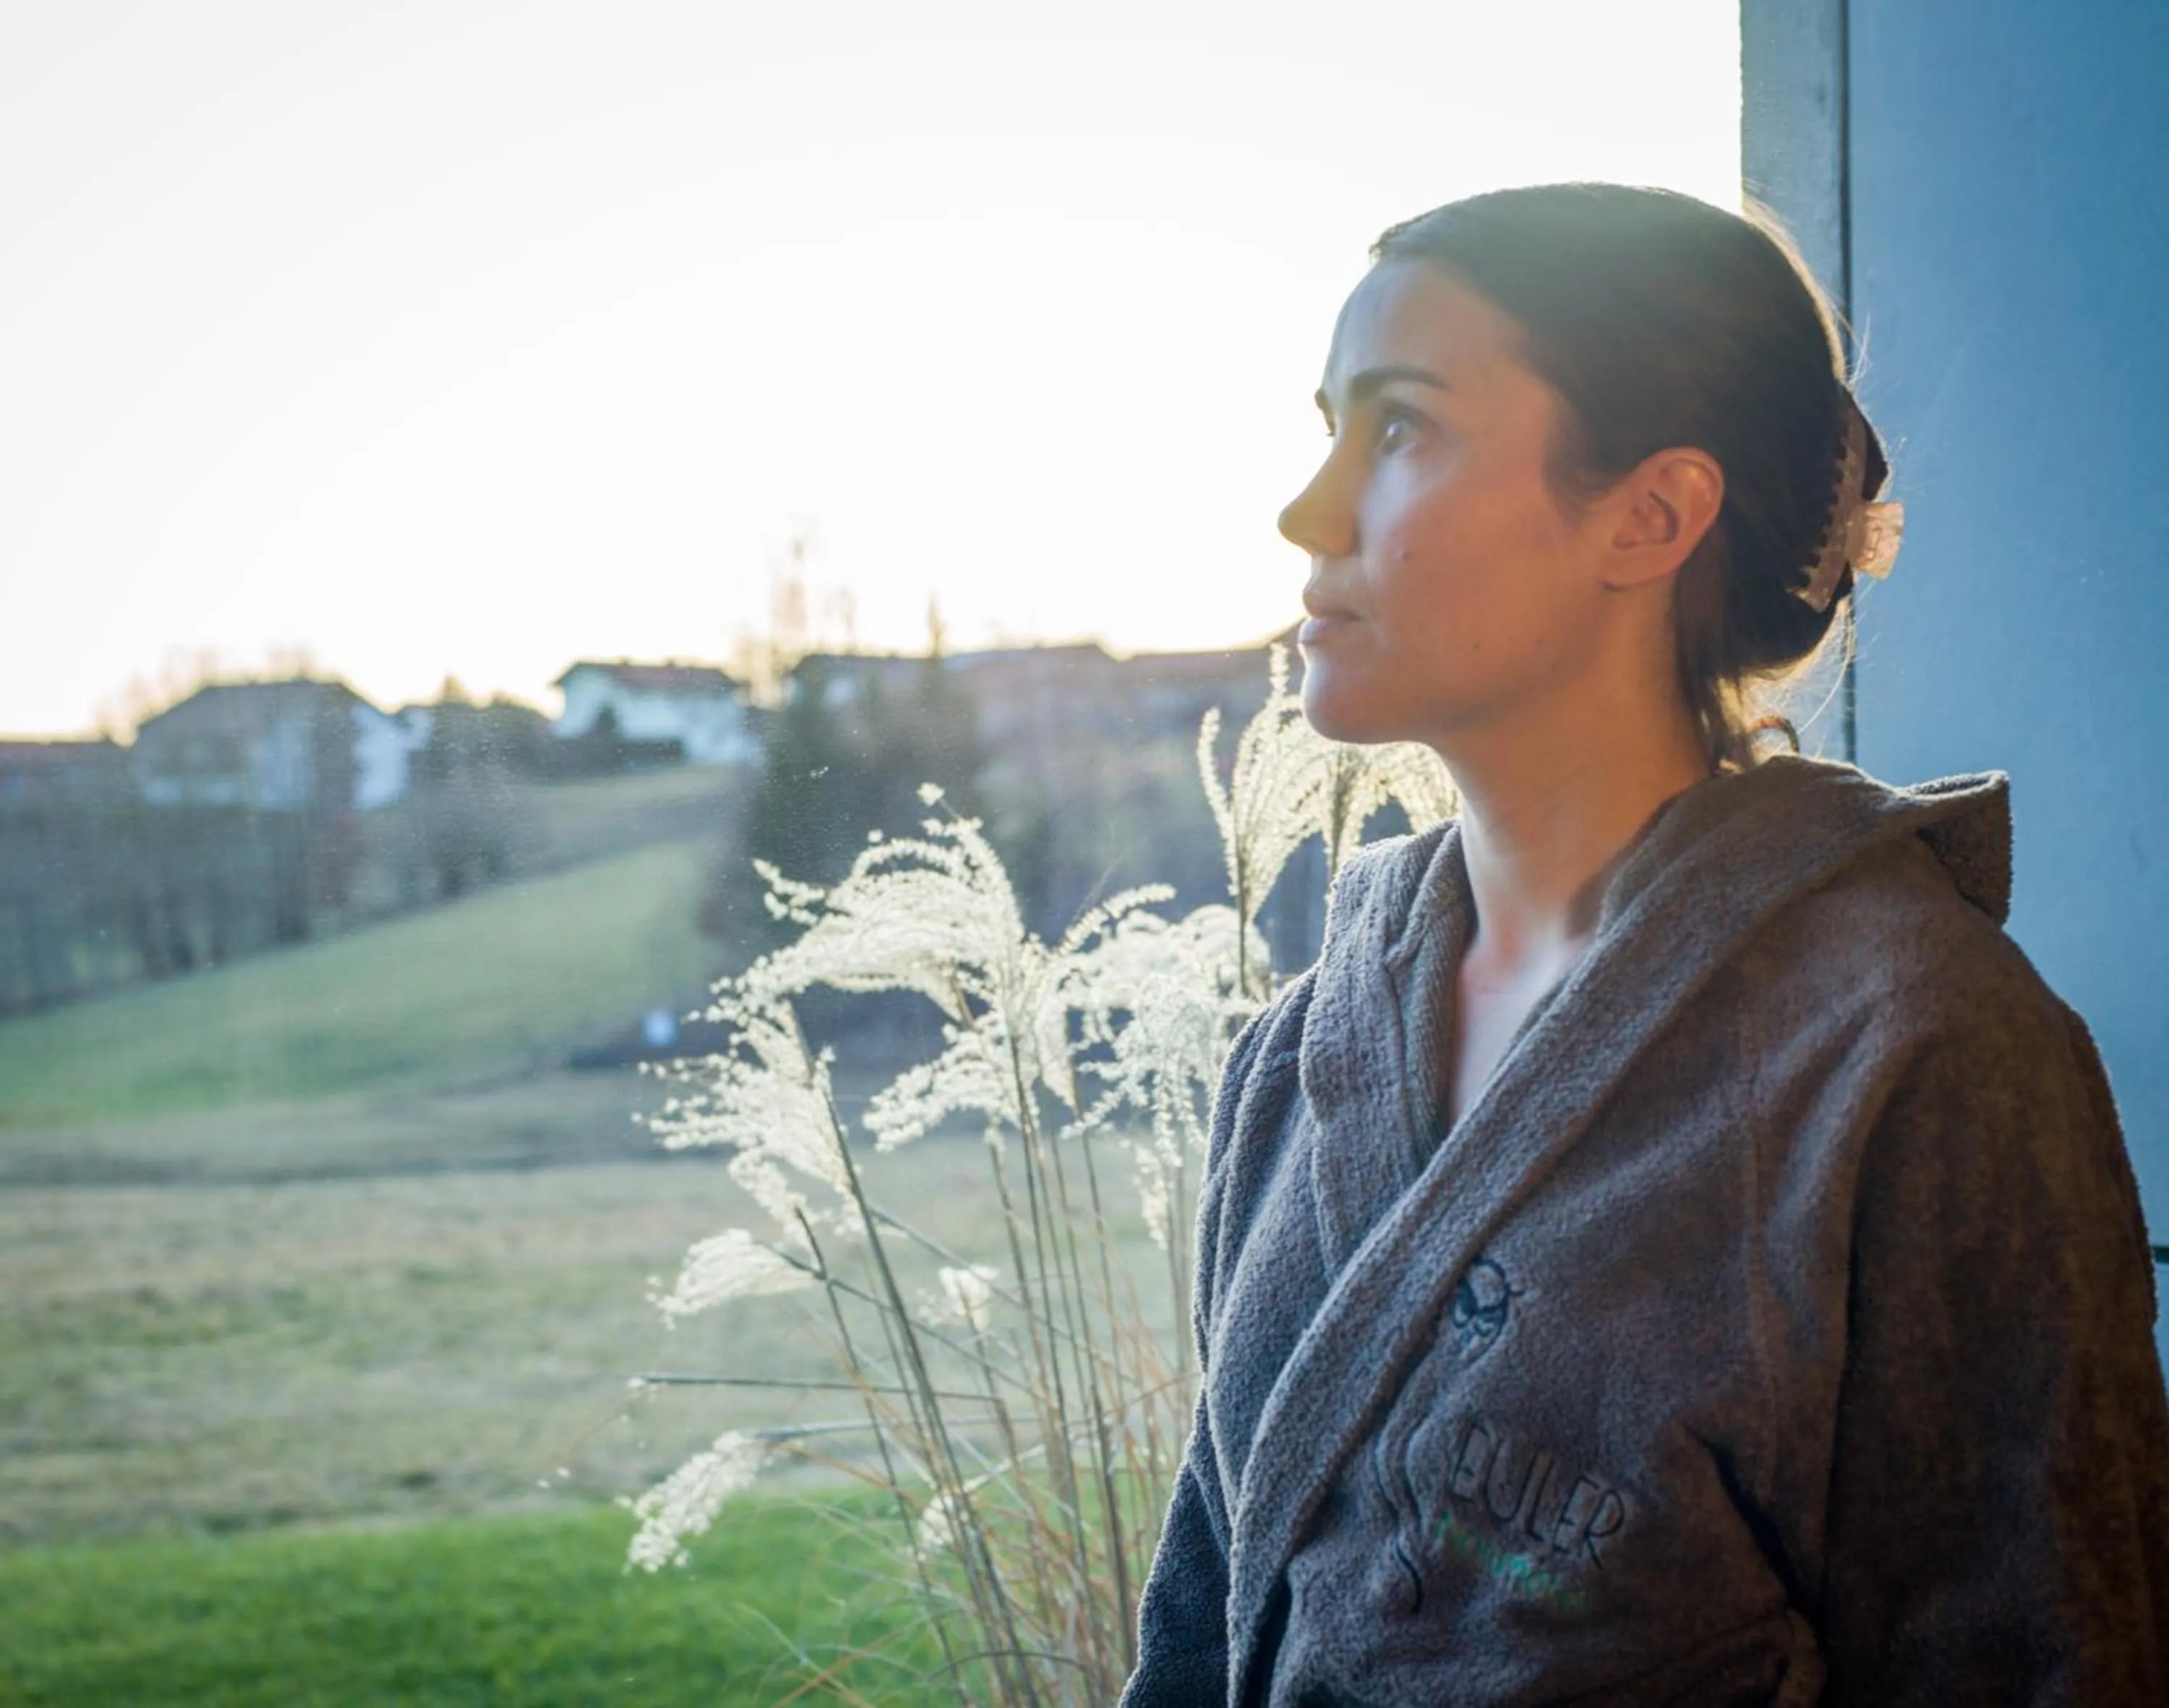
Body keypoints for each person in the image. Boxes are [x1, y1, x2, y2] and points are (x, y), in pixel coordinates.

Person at [1117, 183, 2169, 1707]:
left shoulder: (1916, 1054)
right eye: (1330, 424)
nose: (1309, 508)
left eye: (1399, 428)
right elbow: (1199, 1629)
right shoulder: (1299, 1056)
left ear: (1654, 514)